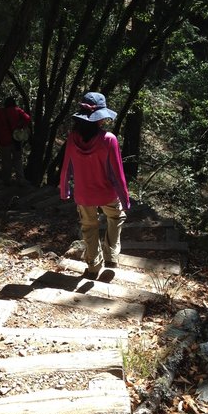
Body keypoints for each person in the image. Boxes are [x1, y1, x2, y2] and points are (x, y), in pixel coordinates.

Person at [59, 91, 130, 279]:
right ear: (101, 118)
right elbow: (118, 173)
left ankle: (93, 266)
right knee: (116, 217)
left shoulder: (72, 138)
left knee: (89, 227)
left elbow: (66, 166)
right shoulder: (109, 139)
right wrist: (125, 197)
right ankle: (111, 255)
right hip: (107, 193)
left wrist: (64, 189)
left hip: (83, 194)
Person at [0, 96, 31, 186]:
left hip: (3, 141)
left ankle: (7, 180)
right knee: (18, 160)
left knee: (6, 161)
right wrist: (21, 125)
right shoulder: (17, 110)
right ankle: (20, 180)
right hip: (15, 140)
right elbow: (28, 118)